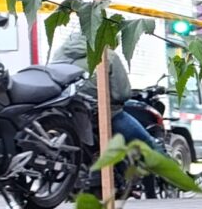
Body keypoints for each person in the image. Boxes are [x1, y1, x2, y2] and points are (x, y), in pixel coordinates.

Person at [50, 18, 157, 155]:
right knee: (149, 145)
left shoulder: (59, 53)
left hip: (67, 113)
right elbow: (122, 94)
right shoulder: (108, 56)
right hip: (100, 114)